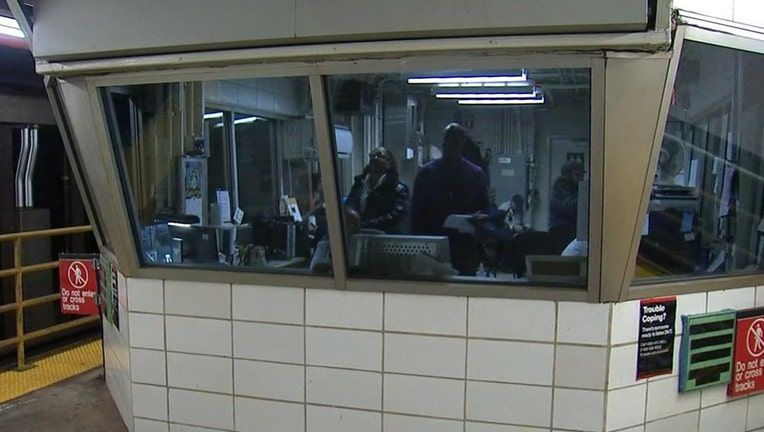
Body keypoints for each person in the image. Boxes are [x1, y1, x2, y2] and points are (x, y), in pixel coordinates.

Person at [410, 123, 490, 275]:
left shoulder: (475, 174)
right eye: (450, 139)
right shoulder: (426, 174)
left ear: (463, 143)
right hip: (431, 244)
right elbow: (416, 214)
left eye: (457, 140)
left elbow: (484, 208)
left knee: (463, 290)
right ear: (444, 142)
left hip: (464, 245)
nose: (453, 144)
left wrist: (480, 219)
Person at [345, 147, 409, 234]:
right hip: (358, 235)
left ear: (389, 163)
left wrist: (365, 225)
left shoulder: (398, 188)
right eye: (372, 156)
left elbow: (394, 216)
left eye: (380, 156)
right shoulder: (360, 184)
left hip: (386, 237)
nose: (375, 158)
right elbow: (350, 203)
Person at [549, 160, 585, 252]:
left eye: (582, 175)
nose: (581, 178)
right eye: (577, 175)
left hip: (572, 231)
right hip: (562, 232)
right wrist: (585, 196)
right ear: (568, 175)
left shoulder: (575, 189)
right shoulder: (560, 189)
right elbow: (569, 207)